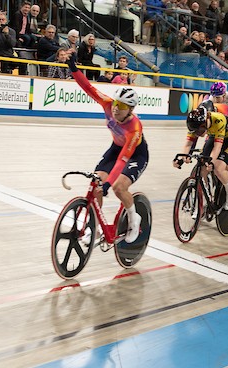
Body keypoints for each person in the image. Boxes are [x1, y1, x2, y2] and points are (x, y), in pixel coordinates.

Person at [66, 55, 148, 243]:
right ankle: (94, 227)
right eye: (116, 104)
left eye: (122, 106)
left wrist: (109, 184)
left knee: (119, 188)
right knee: (96, 185)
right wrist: (73, 67)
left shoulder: (134, 128)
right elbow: (88, 87)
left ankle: (134, 219)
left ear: (131, 110)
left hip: (136, 154)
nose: (116, 109)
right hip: (115, 148)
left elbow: (122, 161)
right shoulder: (107, 104)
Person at [176, 106, 228, 210]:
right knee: (202, 167)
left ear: (207, 119)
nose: (199, 133)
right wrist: (182, 158)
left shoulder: (218, 120)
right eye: (196, 131)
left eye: (201, 129)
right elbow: (188, 144)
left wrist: (211, 162)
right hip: (214, 136)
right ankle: (206, 195)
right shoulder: (195, 124)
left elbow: (217, 147)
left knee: (218, 167)